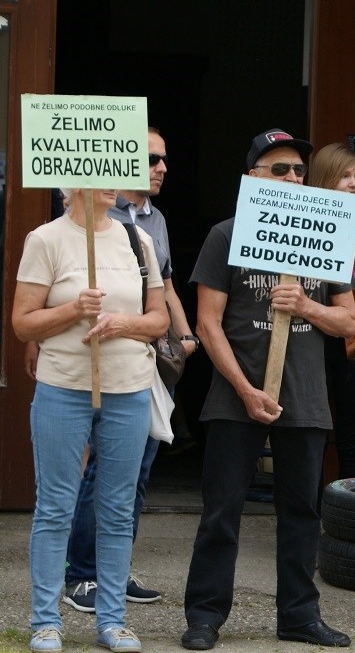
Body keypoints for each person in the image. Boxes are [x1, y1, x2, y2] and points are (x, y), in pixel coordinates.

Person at [181, 129, 355, 650]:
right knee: (222, 510)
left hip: (304, 397)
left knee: (302, 512)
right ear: (251, 178)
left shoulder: (326, 233)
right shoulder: (224, 235)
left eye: (299, 170)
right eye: (279, 170)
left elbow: (348, 323)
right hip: (235, 398)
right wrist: (245, 388)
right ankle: (205, 615)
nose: (293, 178)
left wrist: (305, 306)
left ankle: (299, 616)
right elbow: (208, 324)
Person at [14, 186, 170, 653]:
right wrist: (71, 310)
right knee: (55, 506)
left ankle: (112, 620)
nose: (112, 181)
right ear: (72, 183)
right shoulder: (45, 239)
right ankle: (45, 621)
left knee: (119, 509)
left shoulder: (136, 239)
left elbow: (159, 319)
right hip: (63, 387)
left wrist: (125, 324)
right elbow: (23, 324)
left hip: (129, 388)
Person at [61, 127, 199, 614]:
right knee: (102, 469)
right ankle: (81, 575)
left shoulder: (154, 219)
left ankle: (113, 569)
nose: (162, 167)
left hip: (146, 359)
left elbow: (165, 283)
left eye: (164, 159)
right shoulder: (91, 213)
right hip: (99, 358)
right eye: (152, 158)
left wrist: (184, 338)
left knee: (137, 471)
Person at [309, 142, 355, 479]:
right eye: (344, 176)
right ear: (324, 179)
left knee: (353, 433)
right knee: (312, 431)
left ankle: (351, 517)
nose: (354, 183)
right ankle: (312, 513)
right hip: (310, 335)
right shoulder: (304, 219)